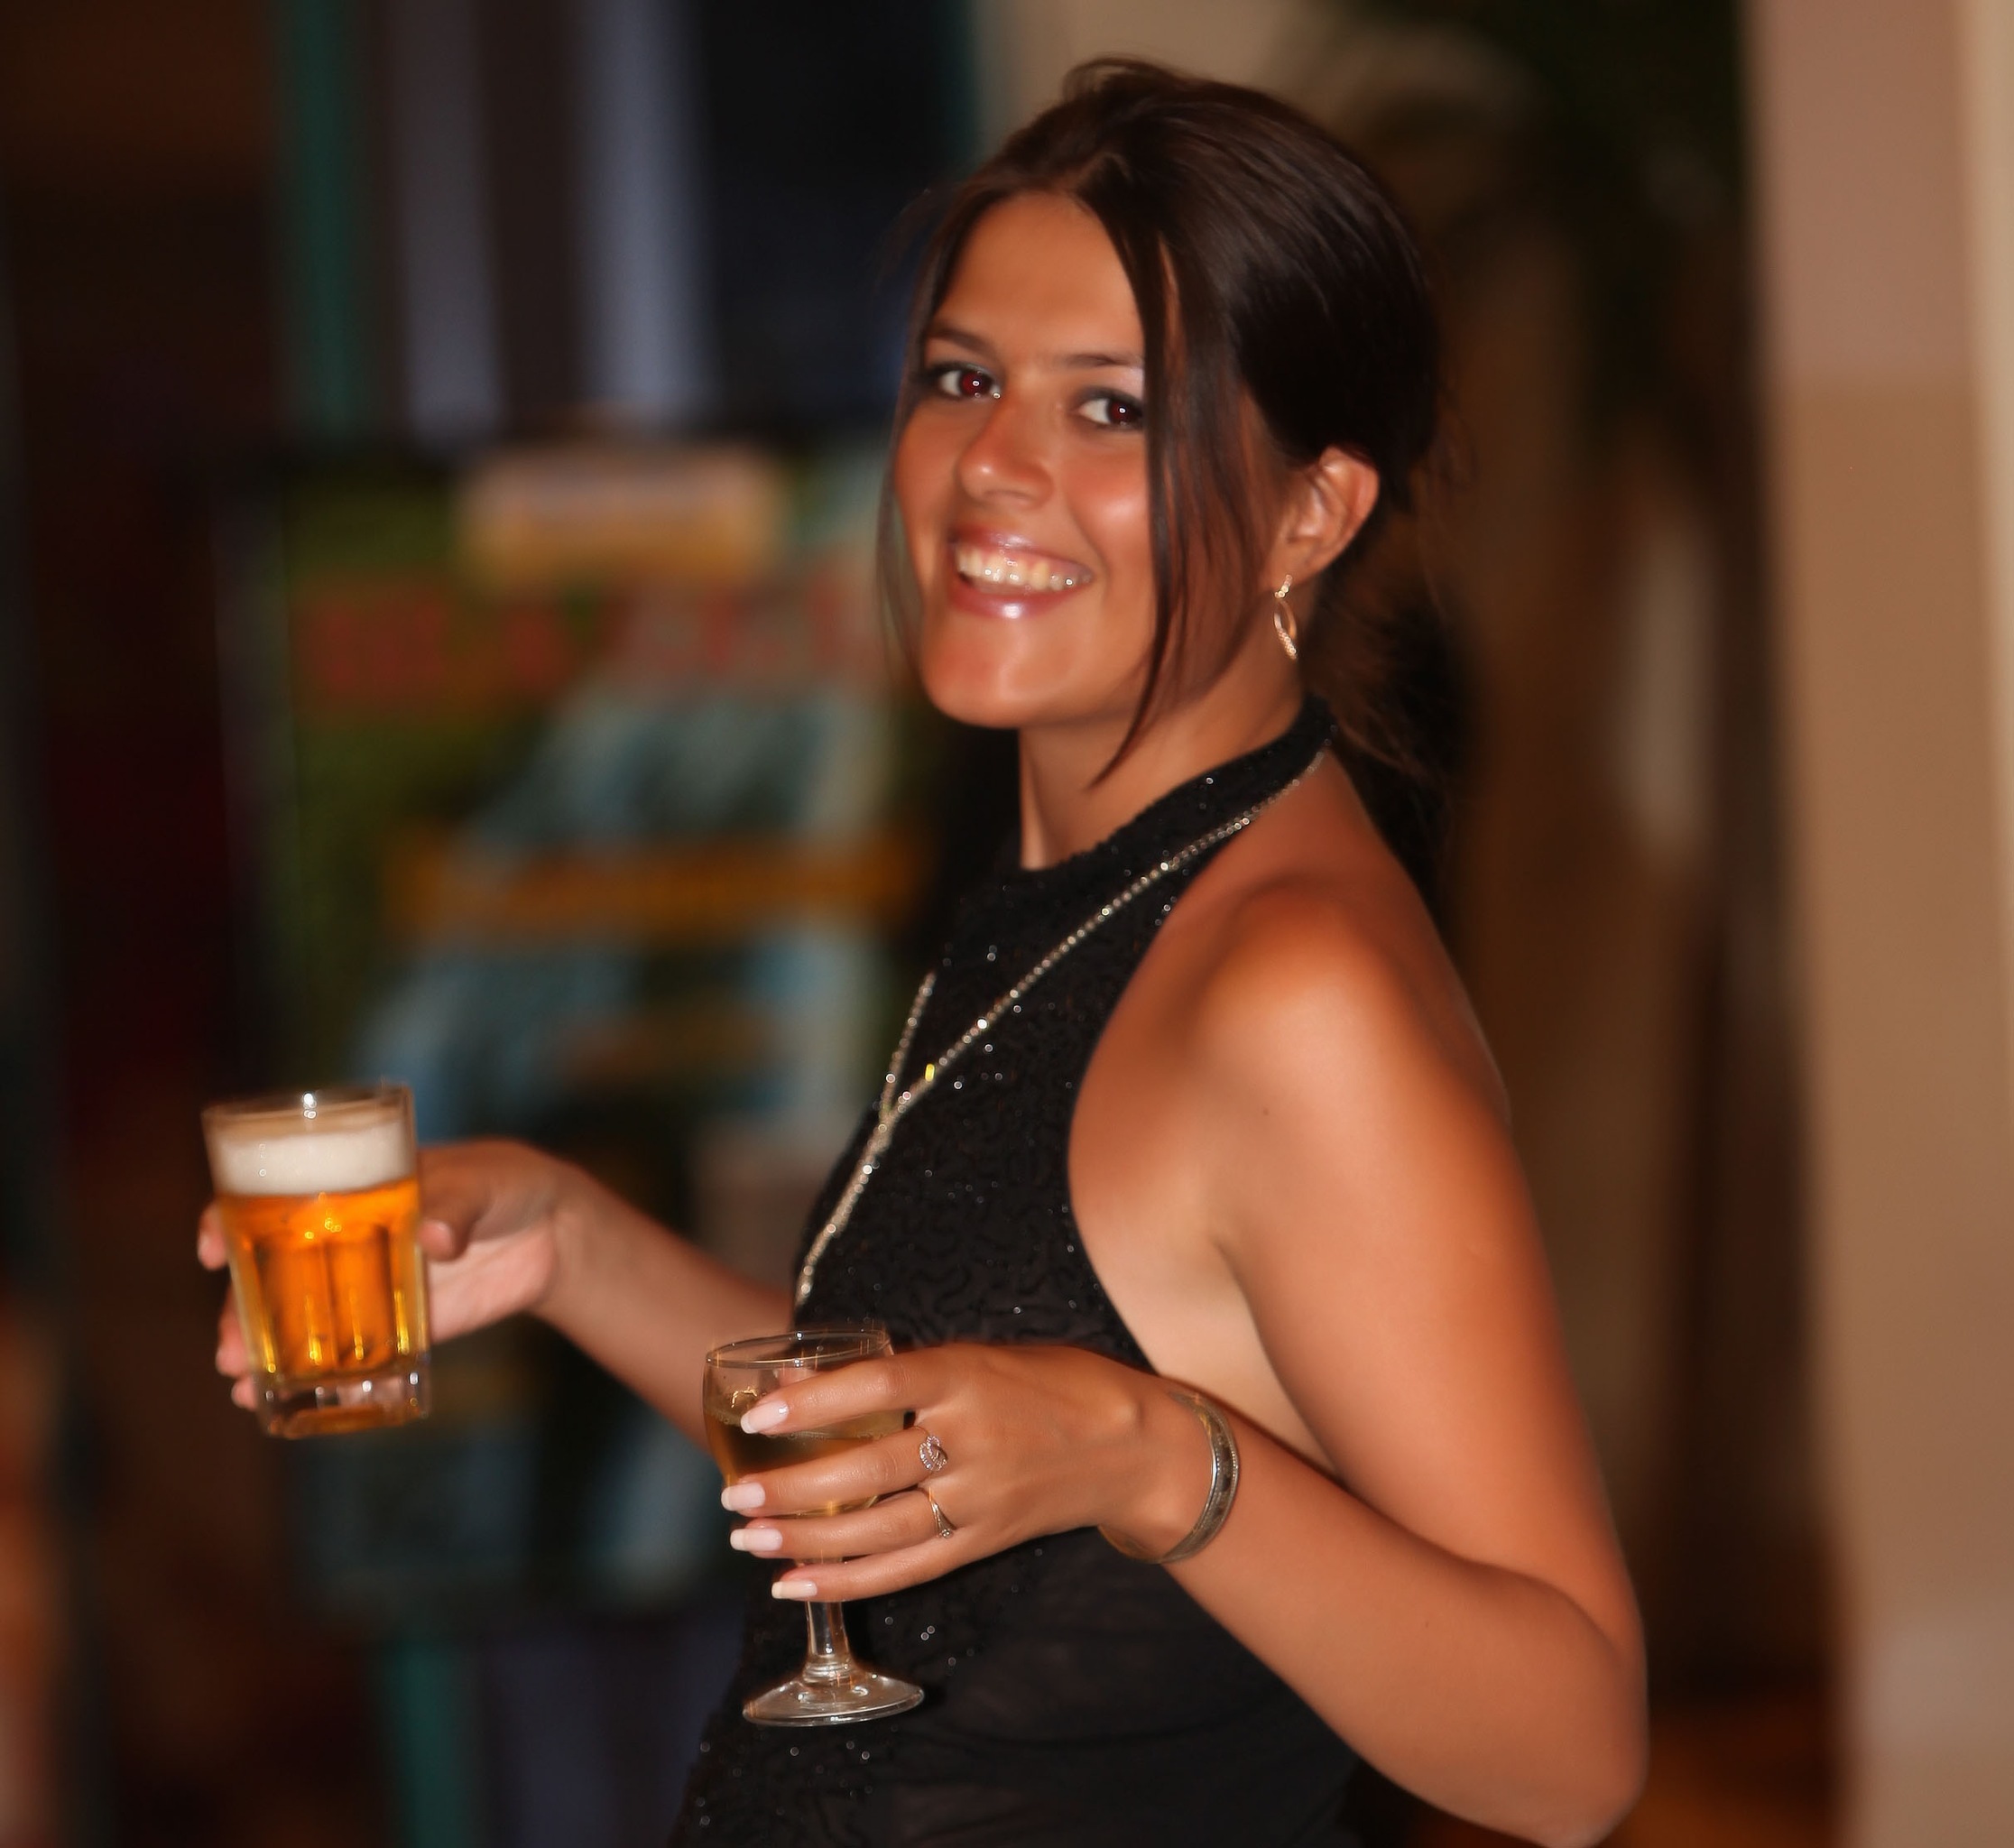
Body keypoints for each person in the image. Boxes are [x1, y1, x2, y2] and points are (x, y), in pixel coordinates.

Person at [203, 60, 1646, 1847]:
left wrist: (1148, 1459)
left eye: (1111, 408)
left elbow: (1568, 1746)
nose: (994, 468)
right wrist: (570, 1244)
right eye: (963, 379)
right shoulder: (1089, 896)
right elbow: (923, 1473)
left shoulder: (1293, 989)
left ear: (1312, 513)